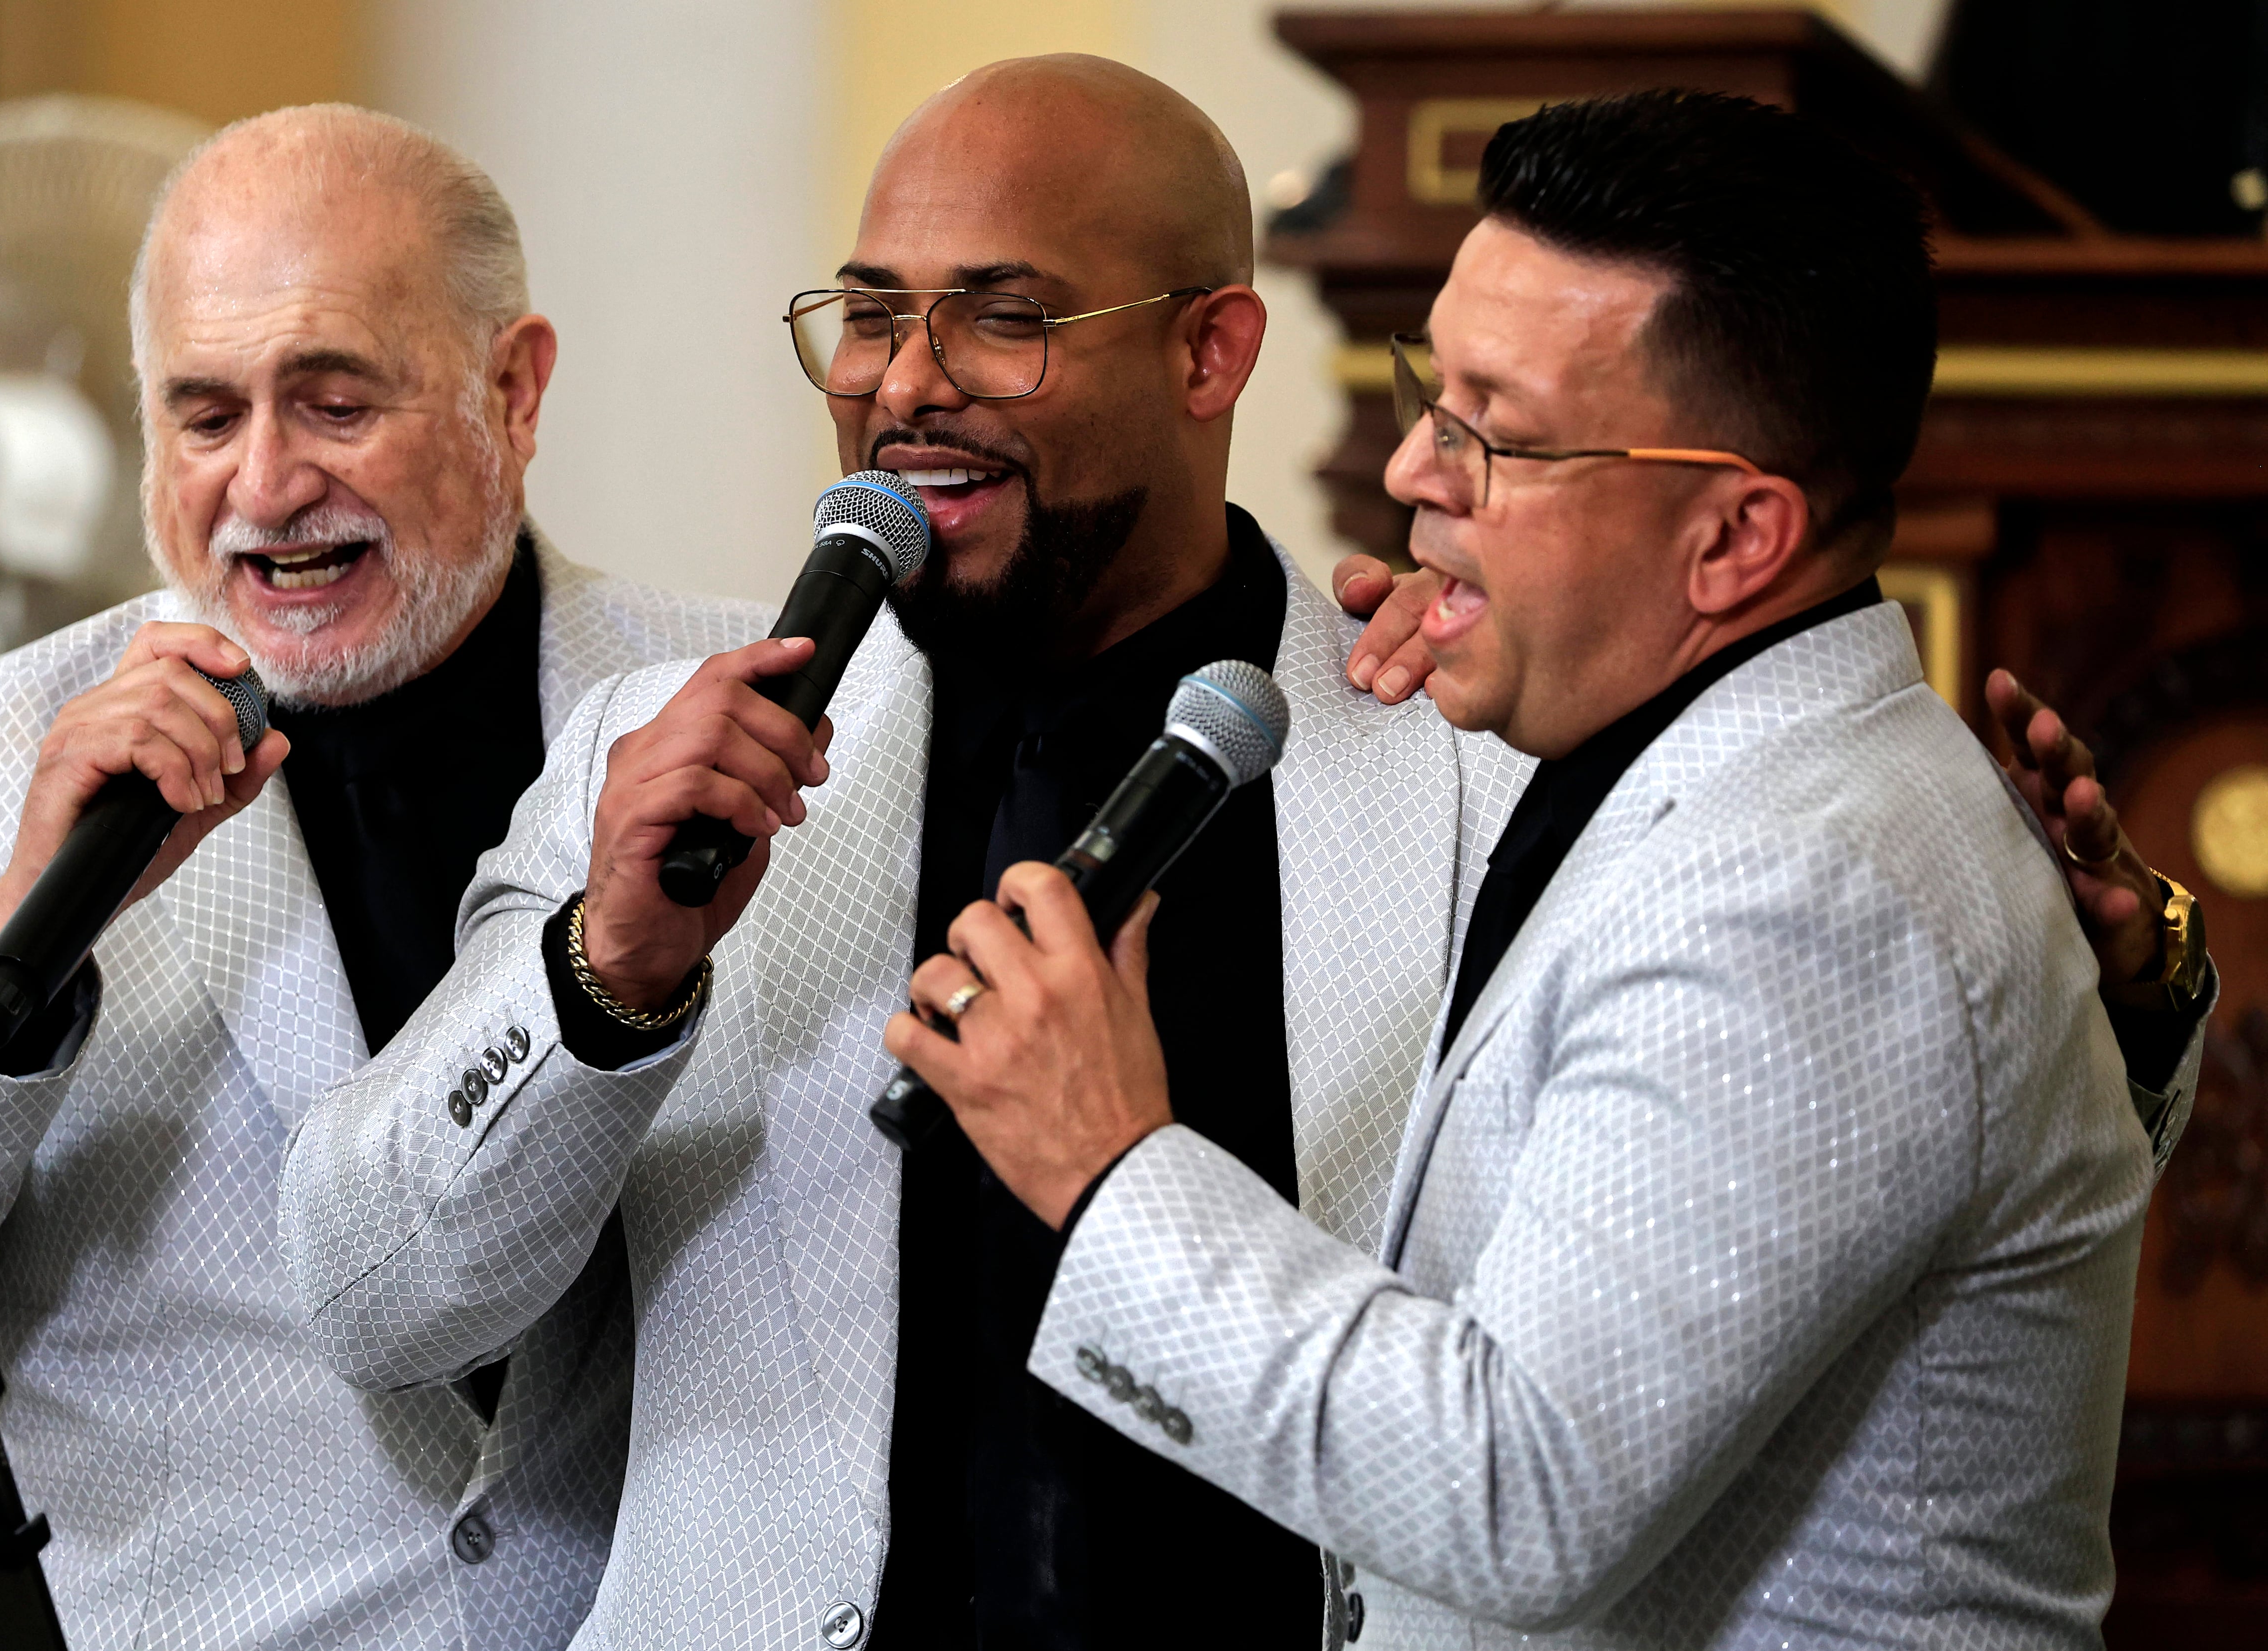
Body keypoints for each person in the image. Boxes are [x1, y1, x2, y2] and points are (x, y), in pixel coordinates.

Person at [279, 63, 2204, 1651]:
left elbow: (1763, 1191)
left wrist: (2106, 1004)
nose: (904, 381)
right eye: (870, 314)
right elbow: (375, 1301)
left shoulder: (1480, 761)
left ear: (1213, 353)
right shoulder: (656, 761)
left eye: (1005, 318)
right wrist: (599, 980)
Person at [888, 90, 2219, 1648]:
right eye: (1427, 395)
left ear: (1733, 539)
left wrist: (1107, 1163)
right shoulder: (1678, 755)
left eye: (1491, 435)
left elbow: (1515, 1496)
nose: (1410, 476)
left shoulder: (1802, 886)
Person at [0, 106, 764, 1649]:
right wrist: (6, 942)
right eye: (206, 414)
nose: (269, 485)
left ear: (515, 386)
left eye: (335, 399)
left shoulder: (746, 713)